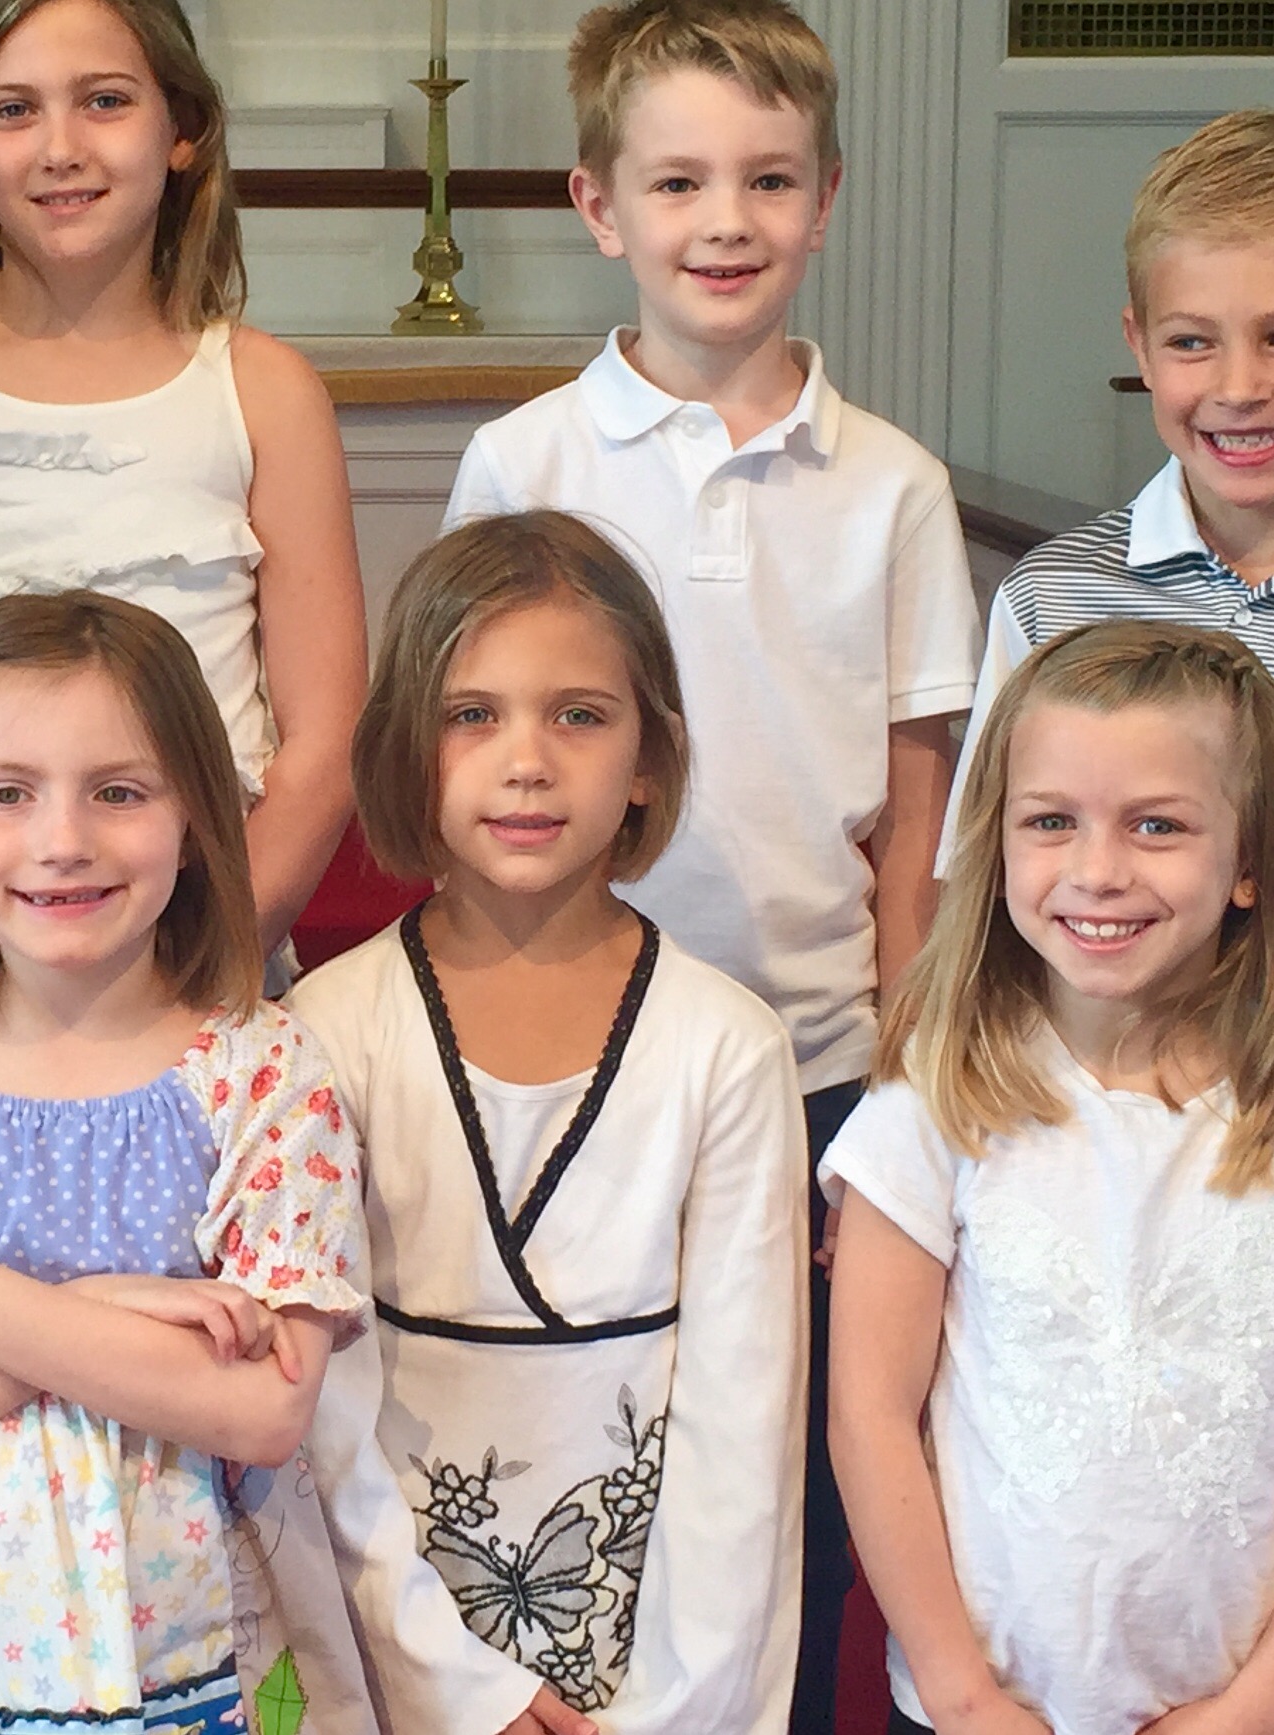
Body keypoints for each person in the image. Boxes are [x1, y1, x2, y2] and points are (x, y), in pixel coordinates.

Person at [441, 0, 980, 1733]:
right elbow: (471, 764)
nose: (723, 219)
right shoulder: (523, 460)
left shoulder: (891, 485)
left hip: (815, 1059)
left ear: (826, 199)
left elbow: (918, 801)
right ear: (598, 207)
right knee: (576, 1450)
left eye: (766, 178)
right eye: (676, 181)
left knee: (792, 1478)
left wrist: (900, 1077)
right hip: (578, 1051)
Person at [946, 111, 1274, 1731]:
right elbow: (982, 896)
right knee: (1096, 1501)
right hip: (1082, 1132)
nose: (1238, 385)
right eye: (1191, 340)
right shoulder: (1053, 597)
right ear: (1136, 344)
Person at [0, 589, 369, 1735]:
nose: (62, 840)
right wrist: (105, 1308)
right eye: (6, 792)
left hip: (190, 1672)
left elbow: (259, 1407)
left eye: (118, 791)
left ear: (193, 817)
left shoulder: (259, 1070)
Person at [827, 622, 1274, 1735]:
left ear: (1249, 861)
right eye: (1049, 820)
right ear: (995, 840)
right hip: (978, 1707)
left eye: (1157, 824)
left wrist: (1260, 1705)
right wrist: (961, 1693)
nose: (1097, 870)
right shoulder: (934, 1098)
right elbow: (869, 1410)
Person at [299, 513, 807, 1735]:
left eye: (578, 714)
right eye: (470, 714)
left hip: (647, 1681)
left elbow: (742, 1436)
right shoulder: (324, 1030)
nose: (525, 760)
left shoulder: (725, 1046)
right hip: (387, 1661)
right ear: (403, 749)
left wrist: (664, 1710)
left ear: (647, 758)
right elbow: (321, 1419)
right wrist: (451, 1685)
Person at [0, 0, 366, 997]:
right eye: (13, 109)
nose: (60, 147)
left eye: (105, 100)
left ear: (182, 130)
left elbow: (324, 740)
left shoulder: (267, 392)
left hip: (207, 965)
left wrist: (194, 979)